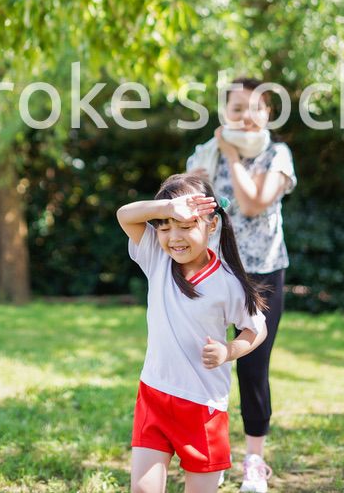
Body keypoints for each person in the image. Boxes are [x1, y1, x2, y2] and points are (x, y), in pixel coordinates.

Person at [117, 172, 268, 493]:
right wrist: (169, 208)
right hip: (154, 395)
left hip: (203, 408)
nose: (174, 237)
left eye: (186, 226)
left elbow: (256, 330)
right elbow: (125, 215)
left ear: (211, 225)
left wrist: (228, 351)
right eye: (165, 227)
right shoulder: (156, 257)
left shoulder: (228, 283)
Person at [187, 77, 297, 493]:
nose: (246, 116)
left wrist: (232, 155)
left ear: (268, 113)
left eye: (255, 108)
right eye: (237, 108)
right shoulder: (205, 153)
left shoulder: (276, 155)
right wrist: (191, 180)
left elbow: (252, 203)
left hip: (262, 275)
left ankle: (254, 461)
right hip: (212, 272)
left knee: (252, 366)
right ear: (224, 114)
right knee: (203, 361)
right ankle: (206, 453)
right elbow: (184, 207)